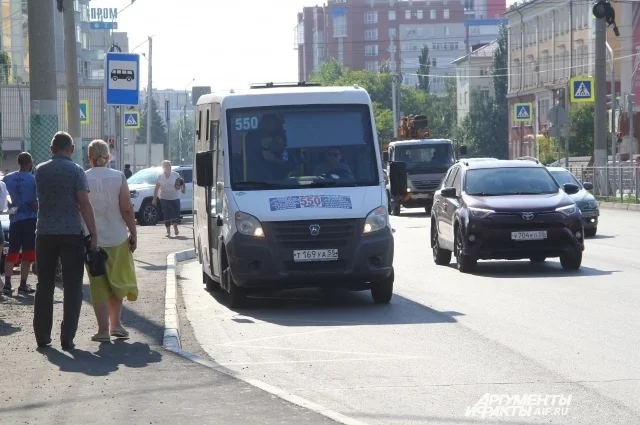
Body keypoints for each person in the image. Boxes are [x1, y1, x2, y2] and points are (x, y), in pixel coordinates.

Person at [34, 131, 98, 350]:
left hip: (44, 234)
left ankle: (42, 336)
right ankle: (67, 338)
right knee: (72, 287)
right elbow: (84, 203)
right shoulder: (76, 170)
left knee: (45, 285)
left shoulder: (40, 170)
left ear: (51, 149)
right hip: (72, 234)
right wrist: (94, 234)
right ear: (71, 149)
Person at [85, 140, 138, 342]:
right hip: (117, 237)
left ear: (89, 158)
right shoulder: (118, 177)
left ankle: (102, 331)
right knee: (116, 281)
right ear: (108, 158)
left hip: (92, 240)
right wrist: (133, 233)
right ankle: (116, 325)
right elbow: (126, 208)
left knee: (98, 284)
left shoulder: (83, 177)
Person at [2, 152, 38, 295]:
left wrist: (9, 203)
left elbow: (2, 193)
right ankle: (23, 284)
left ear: (19, 162)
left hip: (15, 218)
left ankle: (8, 284)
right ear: (29, 163)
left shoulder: (8, 178)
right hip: (30, 218)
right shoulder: (33, 179)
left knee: (13, 250)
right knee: (28, 251)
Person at [152, 160, 184, 237]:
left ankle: (175, 227)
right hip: (164, 198)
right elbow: (157, 188)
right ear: (162, 167)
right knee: (166, 214)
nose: (166, 167)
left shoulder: (176, 175)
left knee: (175, 214)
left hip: (175, 198)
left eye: (167, 165)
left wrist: (181, 187)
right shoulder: (160, 176)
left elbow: (181, 182)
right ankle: (168, 231)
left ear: (170, 166)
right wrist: (154, 199)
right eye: (164, 166)